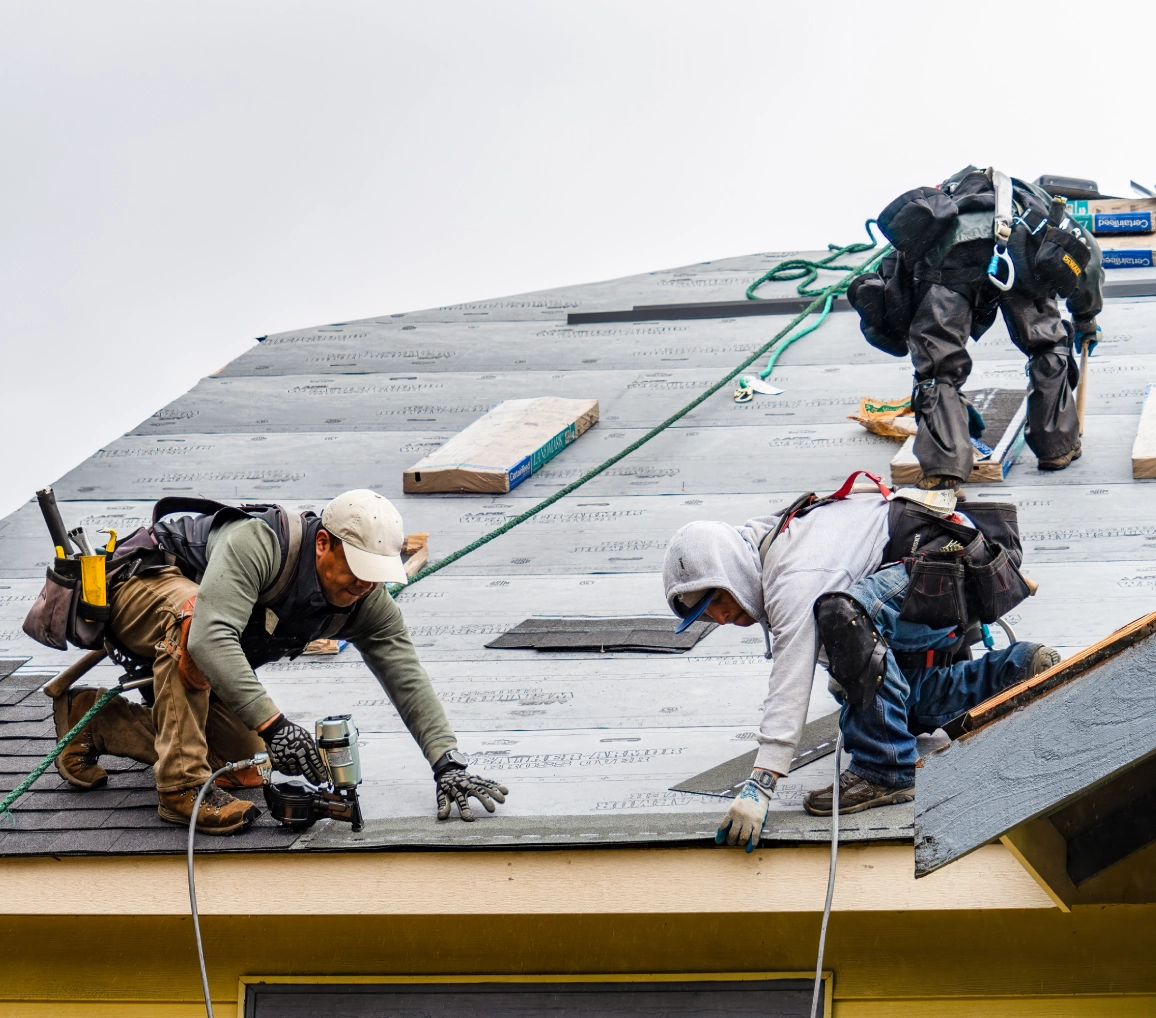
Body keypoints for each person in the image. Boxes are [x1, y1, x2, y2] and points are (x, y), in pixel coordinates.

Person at [54, 490, 507, 834]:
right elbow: (211, 637)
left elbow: (405, 673)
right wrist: (276, 725)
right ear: (323, 544)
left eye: (375, 576)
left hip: (193, 653)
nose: (365, 586)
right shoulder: (261, 543)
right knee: (194, 619)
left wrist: (447, 762)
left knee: (244, 763)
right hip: (142, 587)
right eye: (357, 571)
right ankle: (178, 789)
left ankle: (95, 722)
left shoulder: (364, 598)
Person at [662, 479, 1059, 852]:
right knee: (895, 708)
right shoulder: (761, 545)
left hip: (954, 567)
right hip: (942, 579)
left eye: (715, 600)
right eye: (703, 615)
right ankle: (1014, 672)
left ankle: (883, 769)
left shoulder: (793, 572)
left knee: (839, 616)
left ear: (730, 570)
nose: (718, 617)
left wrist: (762, 782)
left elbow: (791, 675)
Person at [847, 166, 1103, 489]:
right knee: (1046, 342)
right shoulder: (1033, 201)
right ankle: (1056, 445)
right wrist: (1086, 319)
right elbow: (1087, 257)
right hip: (1018, 249)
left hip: (949, 262)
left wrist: (946, 398)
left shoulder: (937, 211)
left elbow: (896, 292)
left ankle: (944, 467)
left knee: (938, 366)